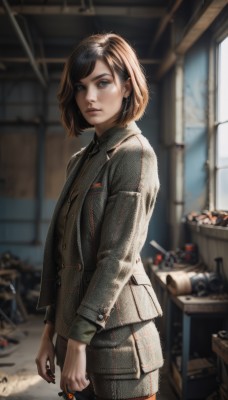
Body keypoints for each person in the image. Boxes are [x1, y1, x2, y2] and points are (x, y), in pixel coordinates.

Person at [35, 33, 163, 400]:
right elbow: (65, 258)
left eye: (102, 82)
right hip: (77, 334)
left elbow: (116, 258)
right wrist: (49, 331)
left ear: (126, 86)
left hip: (119, 342)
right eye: (80, 86)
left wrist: (75, 342)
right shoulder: (81, 160)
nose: (89, 97)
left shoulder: (136, 155)